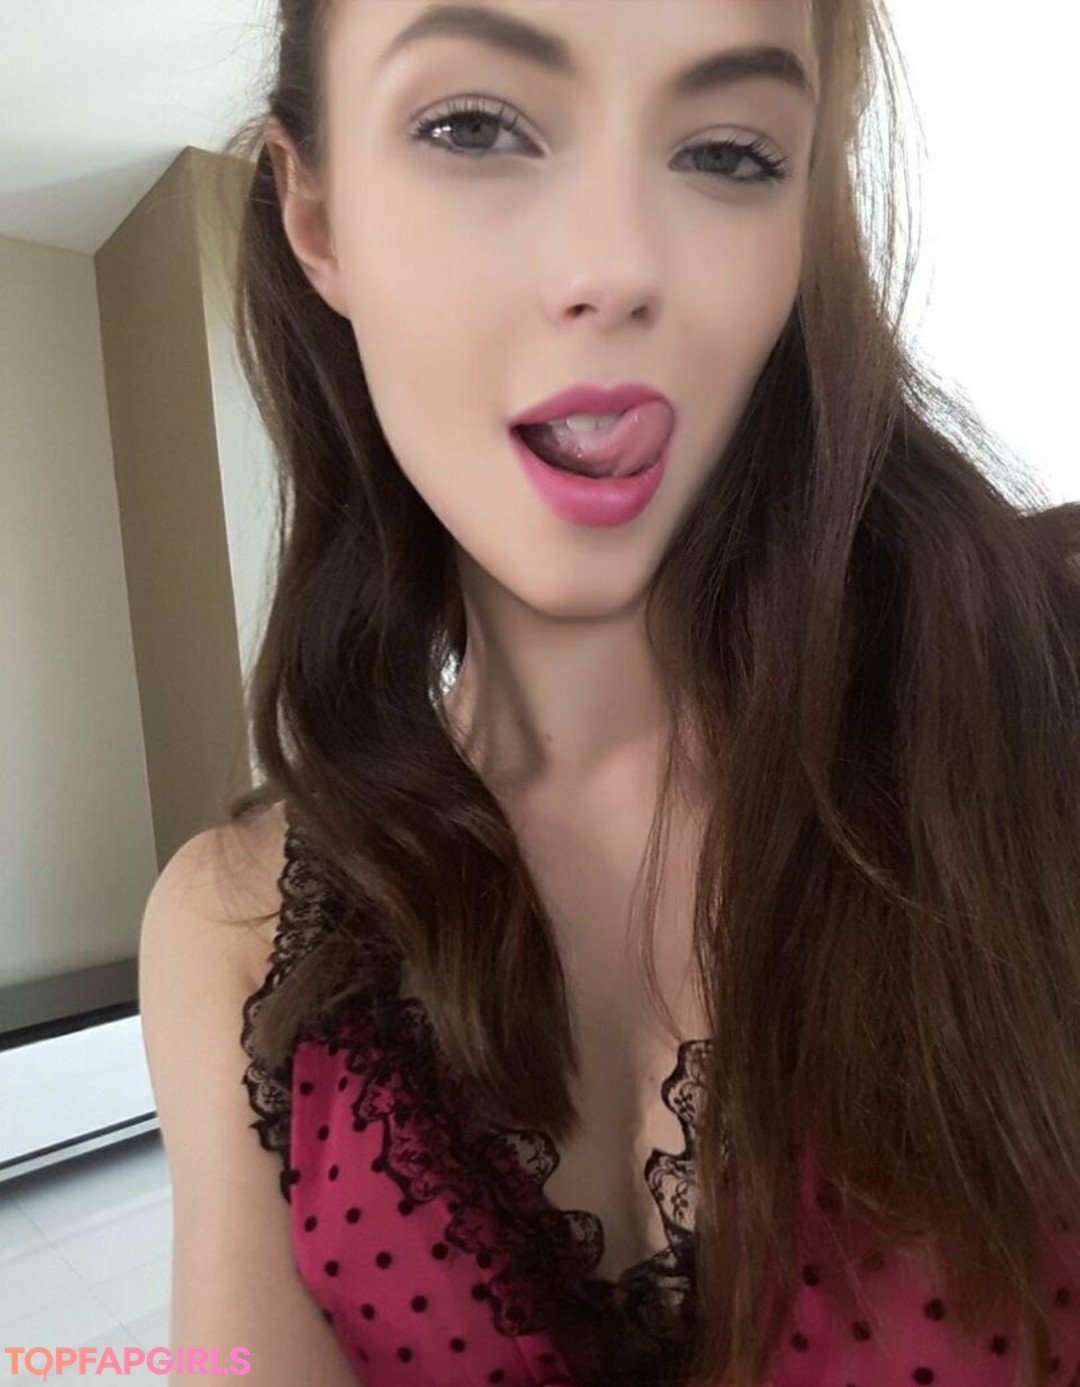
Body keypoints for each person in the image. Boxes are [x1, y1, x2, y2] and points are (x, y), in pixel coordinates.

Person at [138, 2, 1080, 1385]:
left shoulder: (1046, 686)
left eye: (731, 152)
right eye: (475, 127)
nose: (617, 268)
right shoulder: (229, 931)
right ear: (317, 219)